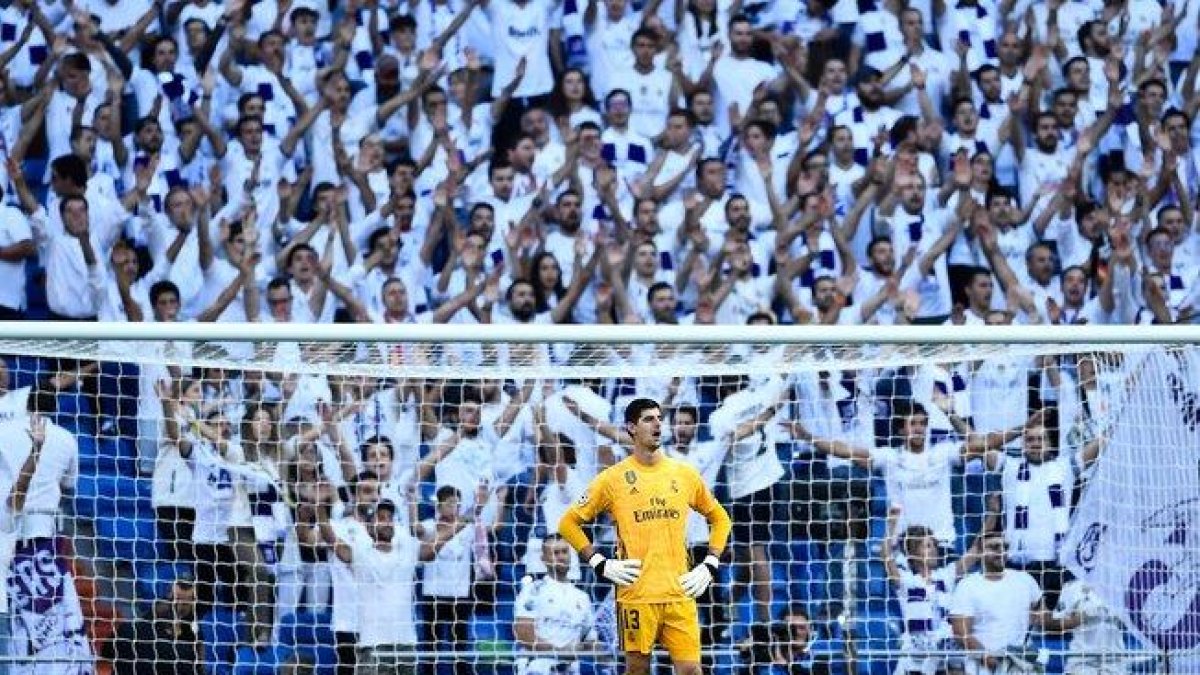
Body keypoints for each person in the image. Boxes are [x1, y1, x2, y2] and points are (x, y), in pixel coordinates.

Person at [558, 397, 732, 675]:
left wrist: (710, 563)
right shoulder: (613, 479)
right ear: (631, 428)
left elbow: (721, 518)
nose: (658, 424)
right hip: (636, 595)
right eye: (649, 419)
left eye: (660, 418)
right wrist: (600, 563)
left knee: (691, 670)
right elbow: (568, 523)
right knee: (637, 670)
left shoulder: (684, 474)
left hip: (680, 593)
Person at [513, 534, 597, 675]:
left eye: (564, 552)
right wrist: (560, 653)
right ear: (543, 558)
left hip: (570, 671)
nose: (561, 557)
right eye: (555, 553)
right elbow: (524, 634)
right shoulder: (532, 590)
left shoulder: (582, 597)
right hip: (537, 669)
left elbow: (590, 640)